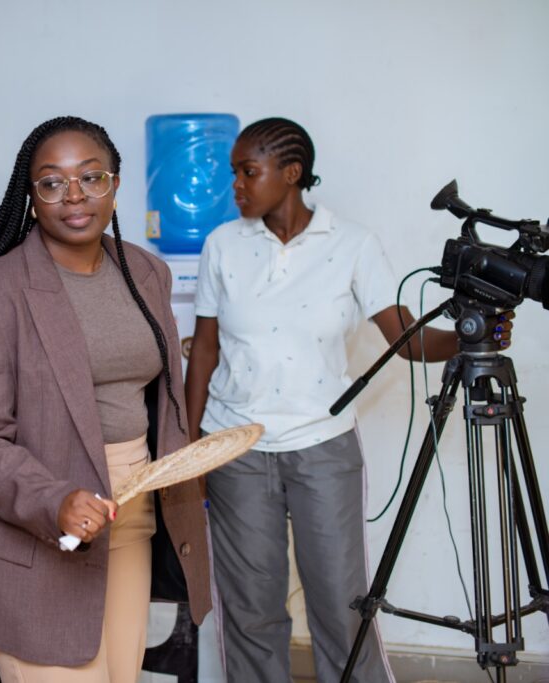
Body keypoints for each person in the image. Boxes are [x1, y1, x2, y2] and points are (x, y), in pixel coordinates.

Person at [184, 117, 513, 683]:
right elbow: (205, 351)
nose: (234, 184)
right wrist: (191, 450)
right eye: (235, 172)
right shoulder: (222, 245)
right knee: (250, 608)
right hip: (235, 449)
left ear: (291, 173)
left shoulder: (352, 244)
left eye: (247, 171)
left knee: (341, 603)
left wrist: (471, 337)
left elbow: (406, 340)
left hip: (322, 445)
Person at [0, 116, 211, 683]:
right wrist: (54, 498)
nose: (75, 195)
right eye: (52, 182)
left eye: (91, 177)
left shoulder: (146, 272)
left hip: (131, 521)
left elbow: (162, 401)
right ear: (31, 196)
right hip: (37, 531)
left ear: (115, 184)